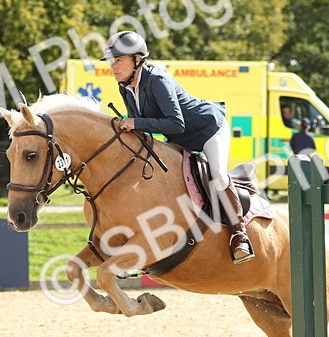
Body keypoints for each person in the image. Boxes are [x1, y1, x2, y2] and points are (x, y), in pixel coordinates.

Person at [106, 30, 254, 264]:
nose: (113, 67)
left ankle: (240, 234)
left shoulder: (157, 80)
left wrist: (134, 122)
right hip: (180, 139)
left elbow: (176, 122)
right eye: (112, 62)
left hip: (208, 129)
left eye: (119, 60)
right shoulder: (125, 87)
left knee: (216, 174)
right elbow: (140, 130)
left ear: (137, 60)